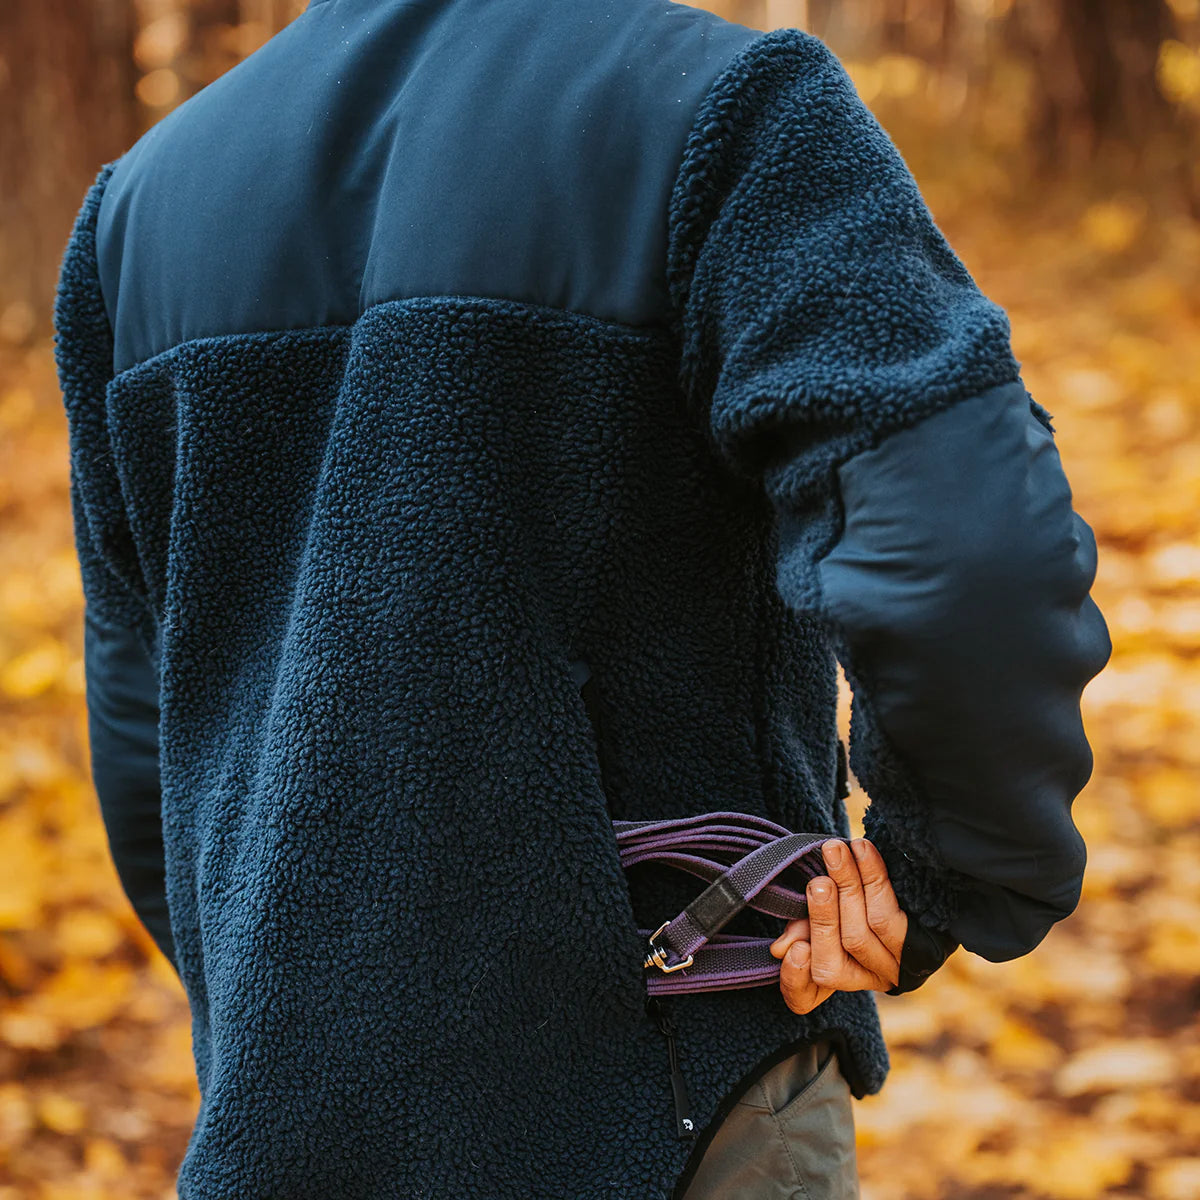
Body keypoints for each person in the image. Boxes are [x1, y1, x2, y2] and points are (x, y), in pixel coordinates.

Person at [53, 0, 1112, 1196]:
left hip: (289, 1122)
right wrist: (948, 880)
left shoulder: (139, 210)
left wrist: (294, 997)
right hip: (672, 1104)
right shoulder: (726, 111)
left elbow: (151, 716)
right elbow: (962, 531)